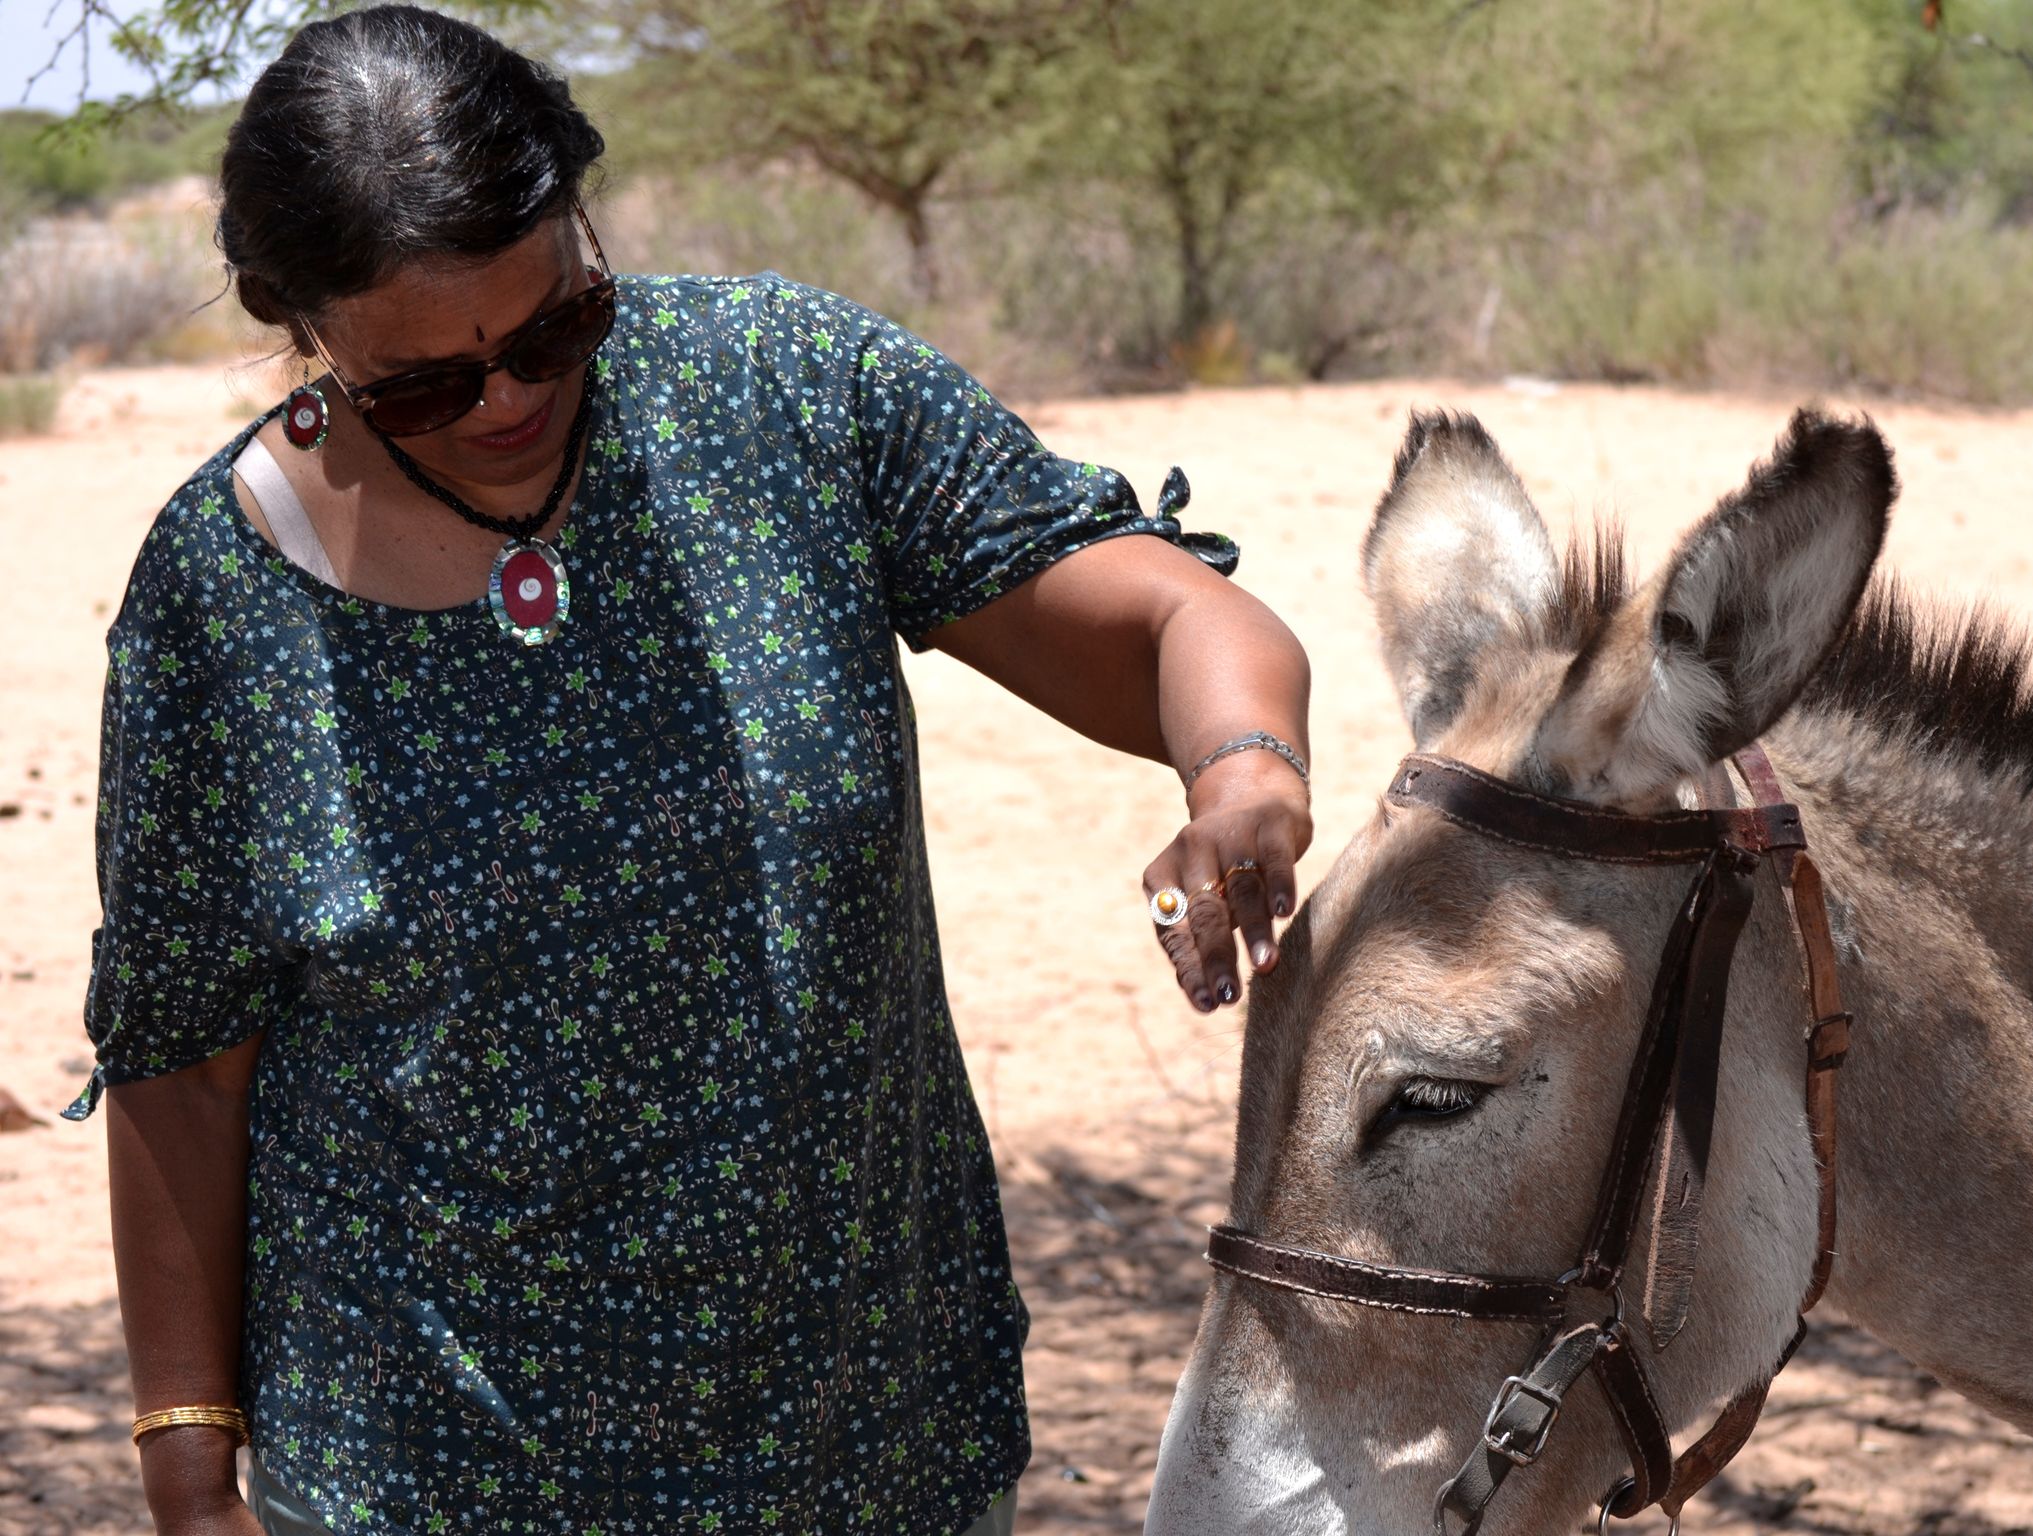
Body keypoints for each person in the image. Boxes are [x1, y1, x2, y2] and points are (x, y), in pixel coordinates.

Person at [71, 9, 1313, 1534]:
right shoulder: (218, 601)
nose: (509, 400)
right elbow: (182, 1061)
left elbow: (1161, 609)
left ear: (587, 224)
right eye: (422, 387)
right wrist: (189, 1474)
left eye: (551, 330)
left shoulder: (785, 394)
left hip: (869, 1451)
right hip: (425, 1478)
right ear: (297, 323)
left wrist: (1242, 768)